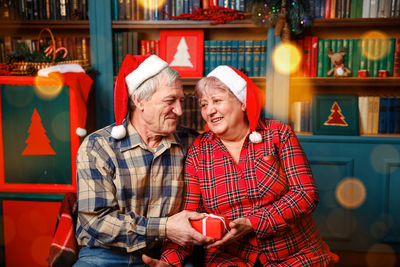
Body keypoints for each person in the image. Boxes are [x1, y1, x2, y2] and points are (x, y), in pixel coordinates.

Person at [144, 65, 339, 266]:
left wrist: (253, 223)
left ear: (242, 103)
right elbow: (191, 216)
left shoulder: (278, 134)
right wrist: (170, 262)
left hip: (294, 252)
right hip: (230, 257)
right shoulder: (198, 153)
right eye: (204, 105)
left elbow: (305, 194)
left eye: (217, 101)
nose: (210, 111)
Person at [74, 54, 214, 266]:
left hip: (168, 254)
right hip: (105, 255)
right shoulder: (98, 147)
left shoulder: (191, 143)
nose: (179, 111)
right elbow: (96, 221)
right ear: (139, 100)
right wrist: (165, 227)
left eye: (181, 101)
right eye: (170, 101)